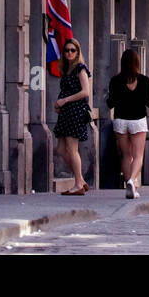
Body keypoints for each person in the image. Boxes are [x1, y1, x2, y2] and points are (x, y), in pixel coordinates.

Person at [106, 48, 149, 199]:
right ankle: (132, 181)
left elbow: (110, 103)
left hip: (120, 121)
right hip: (138, 120)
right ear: (137, 63)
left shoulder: (115, 80)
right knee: (138, 155)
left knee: (126, 155)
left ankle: (129, 185)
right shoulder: (144, 80)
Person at [53, 40, 92, 195]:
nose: (69, 53)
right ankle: (80, 180)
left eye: (72, 50)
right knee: (61, 149)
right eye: (67, 50)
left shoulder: (80, 69)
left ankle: (77, 184)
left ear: (78, 52)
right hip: (65, 112)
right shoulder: (66, 69)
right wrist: (59, 104)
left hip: (75, 112)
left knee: (72, 148)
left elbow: (85, 92)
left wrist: (65, 100)